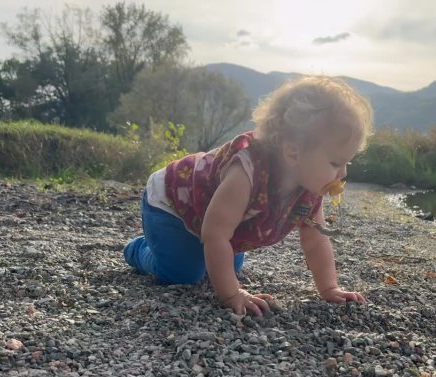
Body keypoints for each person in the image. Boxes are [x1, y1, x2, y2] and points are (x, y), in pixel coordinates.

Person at [123, 76, 373, 316]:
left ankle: (186, 249)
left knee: (228, 267)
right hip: (171, 204)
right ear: (293, 153)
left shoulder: (309, 187)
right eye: (335, 163)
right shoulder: (246, 173)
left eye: (346, 163)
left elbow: (316, 241)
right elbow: (216, 234)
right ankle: (139, 249)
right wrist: (232, 295)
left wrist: (329, 288)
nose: (342, 174)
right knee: (184, 274)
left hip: (215, 218)